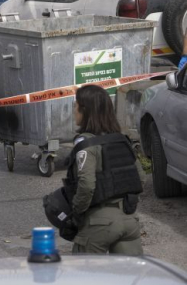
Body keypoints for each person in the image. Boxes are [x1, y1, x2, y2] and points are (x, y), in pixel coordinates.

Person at [61, 85, 144, 254]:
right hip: (129, 220)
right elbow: (140, 178)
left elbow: (86, 184)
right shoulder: (121, 140)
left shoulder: (85, 144)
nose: (74, 110)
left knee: (86, 278)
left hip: (99, 223)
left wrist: (76, 211)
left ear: (85, 110)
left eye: (76, 106)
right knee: (130, 277)